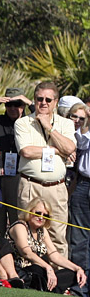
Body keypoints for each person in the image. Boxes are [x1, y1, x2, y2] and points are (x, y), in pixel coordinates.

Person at [14, 81, 76, 258]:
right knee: (27, 233)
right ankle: (32, 276)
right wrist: (58, 150)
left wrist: (49, 127)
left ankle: (59, 277)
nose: (44, 103)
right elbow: (26, 151)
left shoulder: (65, 124)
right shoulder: (23, 123)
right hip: (30, 185)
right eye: (40, 99)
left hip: (56, 188)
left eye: (48, 99)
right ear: (34, 100)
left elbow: (70, 148)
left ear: (55, 102)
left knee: (58, 235)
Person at [8, 198, 87, 295]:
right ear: (29, 211)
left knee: (72, 274)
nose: (41, 217)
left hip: (40, 271)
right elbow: (27, 253)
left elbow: (54, 255)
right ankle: (51, 290)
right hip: (22, 271)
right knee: (38, 269)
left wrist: (78, 268)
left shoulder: (42, 231)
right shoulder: (20, 226)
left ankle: (49, 289)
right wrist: (48, 267)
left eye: (45, 215)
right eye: (38, 213)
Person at [0, 87, 31, 232]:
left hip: (20, 175)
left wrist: (29, 103)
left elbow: (45, 117)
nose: (13, 108)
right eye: (9, 104)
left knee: (18, 220)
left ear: (23, 105)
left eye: (17, 104)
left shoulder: (30, 122)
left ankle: (19, 251)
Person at [67, 102, 90, 274]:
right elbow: (80, 142)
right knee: (79, 237)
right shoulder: (83, 131)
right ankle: (80, 284)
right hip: (83, 183)